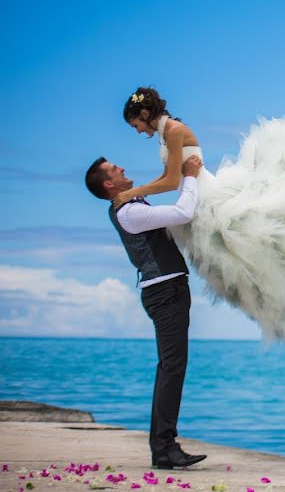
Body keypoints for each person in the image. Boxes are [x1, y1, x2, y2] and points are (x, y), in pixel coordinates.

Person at [116, 87, 285, 340]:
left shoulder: (173, 131)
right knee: (231, 260)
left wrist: (132, 194)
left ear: (144, 113)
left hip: (204, 196)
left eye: (135, 125)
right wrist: (141, 194)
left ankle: (279, 301)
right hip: (193, 194)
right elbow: (167, 176)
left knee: (246, 251)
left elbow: (173, 181)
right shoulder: (166, 134)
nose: (138, 131)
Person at [84, 154, 207, 470]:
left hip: (167, 290)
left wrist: (177, 165)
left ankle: (164, 447)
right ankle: (165, 447)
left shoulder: (131, 205)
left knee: (170, 367)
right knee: (172, 368)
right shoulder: (130, 213)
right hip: (165, 292)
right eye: (114, 169)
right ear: (109, 184)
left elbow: (160, 185)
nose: (122, 167)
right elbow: (182, 212)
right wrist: (190, 176)